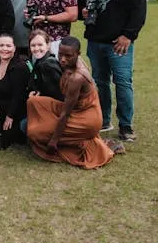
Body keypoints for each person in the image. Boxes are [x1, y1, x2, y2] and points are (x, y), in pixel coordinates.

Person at [77, 0, 147, 142]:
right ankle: (104, 120)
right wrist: (82, 12)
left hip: (119, 44)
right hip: (95, 42)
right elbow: (77, 7)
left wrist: (128, 36)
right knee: (100, 83)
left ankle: (126, 126)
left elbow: (139, 12)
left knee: (123, 83)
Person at [26, 37, 123, 168]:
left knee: (35, 132)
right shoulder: (66, 64)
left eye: (68, 56)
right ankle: (81, 140)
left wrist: (54, 140)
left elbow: (65, 113)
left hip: (87, 118)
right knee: (34, 102)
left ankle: (94, 146)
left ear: (78, 54)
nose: (63, 59)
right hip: (75, 109)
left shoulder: (77, 77)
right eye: (60, 54)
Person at [0, 34, 29, 150]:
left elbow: (18, 95)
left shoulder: (20, 67)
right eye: (1, 45)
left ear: (14, 48)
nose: (5, 49)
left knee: (6, 140)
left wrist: (10, 116)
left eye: (8, 46)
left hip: (15, 109)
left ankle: (10, 130)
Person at [27, 29, 63, 100]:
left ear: (48, 45)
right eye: (33, 45)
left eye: (40, 45)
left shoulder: (48, 65)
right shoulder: (39, 61)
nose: (36, 48)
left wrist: (39, 96)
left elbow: (57, 93)